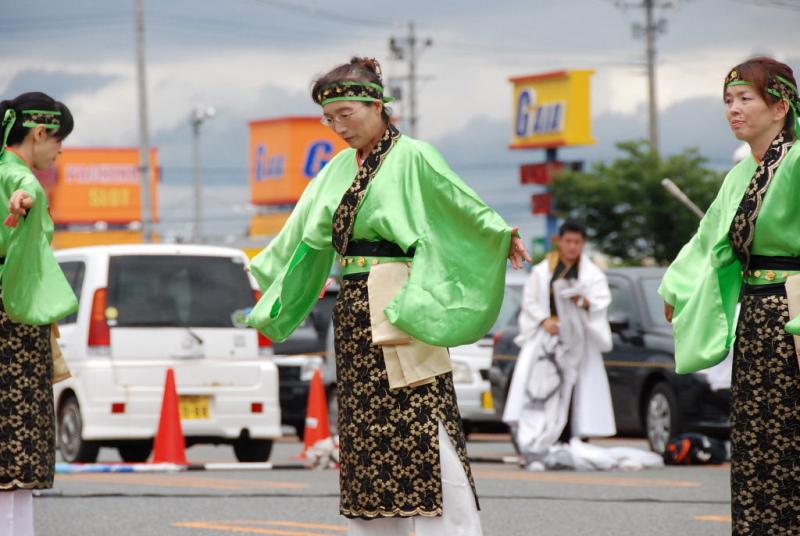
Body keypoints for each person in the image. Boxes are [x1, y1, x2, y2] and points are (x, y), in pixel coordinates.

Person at [247, 57, 530, 535]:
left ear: (378, 105)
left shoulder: (414, 156)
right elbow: (300, 233)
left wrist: (499, 233)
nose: (339, 128)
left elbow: (457, 200)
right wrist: (264, 278)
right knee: (366, 437)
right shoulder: (337, 168)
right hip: (354, 310)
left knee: (423, 422)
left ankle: (453, 530)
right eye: (330, 119)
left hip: (402, 303)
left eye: (347, 115)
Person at [659, 57, 800, 535]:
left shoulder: (799, 161)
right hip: (759, 320)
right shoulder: (739, 177)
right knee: (759, 440)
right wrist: (678, 287)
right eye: (728, 100)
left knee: (790, 438)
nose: (733, 109)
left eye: (745, 98)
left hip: (795, 309)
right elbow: (707, 240)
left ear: (780, 105)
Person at [0, 92, 78, 535]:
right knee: (16, 442)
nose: (58, 153)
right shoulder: (17, 176)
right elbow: (25, 189)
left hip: (12, 311)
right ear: (40, 132)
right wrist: (25, 200)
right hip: (13, 316)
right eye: (59, 144)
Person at [503, 222, 615, 468]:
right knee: (541, 389)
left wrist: (583, 301)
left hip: (578, 341)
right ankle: (539, 440)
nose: (572, 247)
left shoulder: (592, 274)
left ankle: (573, 437)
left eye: (577, 242)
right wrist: (544, 320)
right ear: (560, 241)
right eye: (568, 241)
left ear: (583, 244)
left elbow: (600, 301)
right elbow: (530, 301)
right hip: (548, 339)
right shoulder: (543, 271)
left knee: (577, 389)